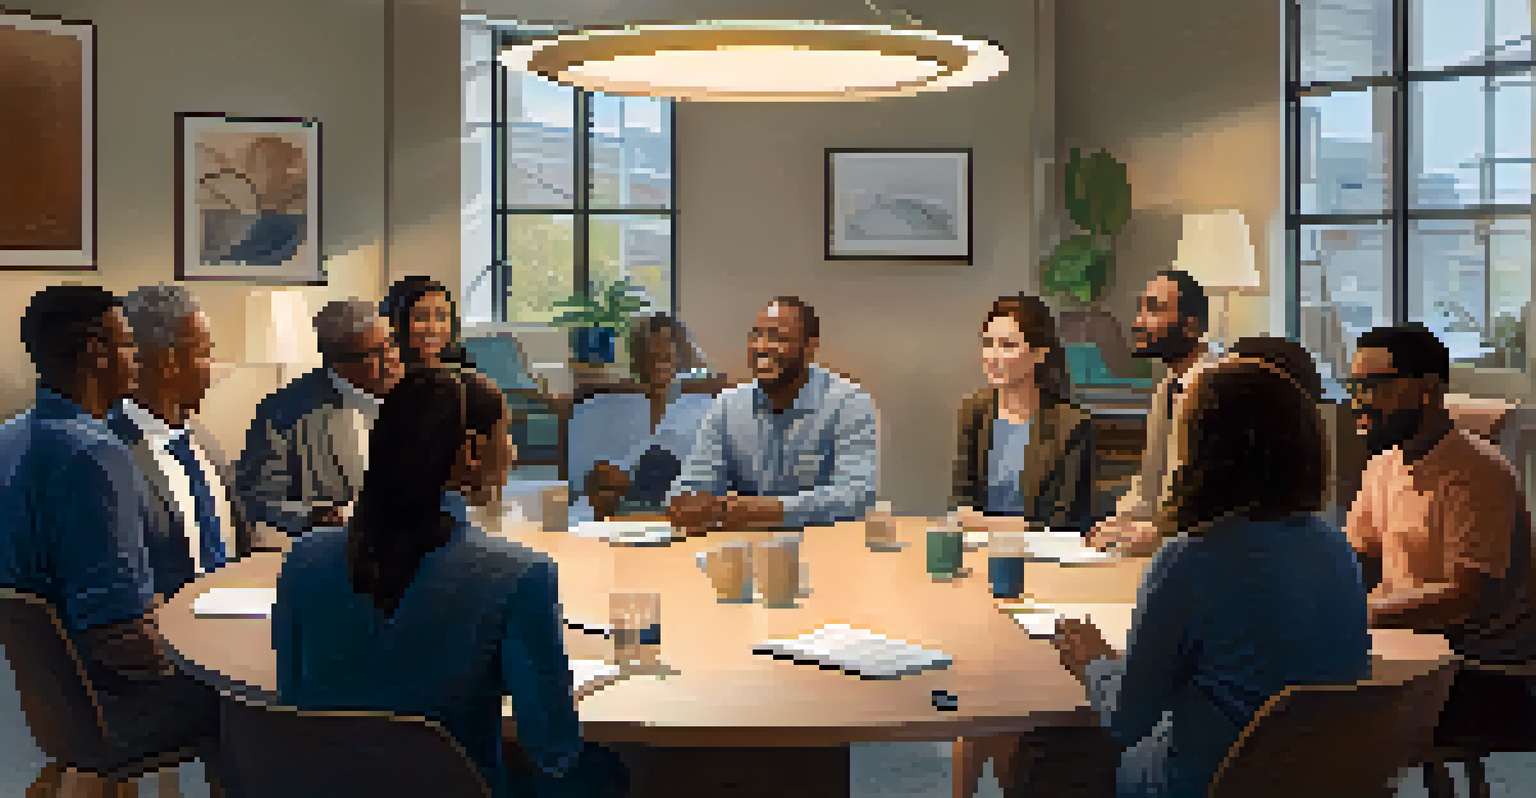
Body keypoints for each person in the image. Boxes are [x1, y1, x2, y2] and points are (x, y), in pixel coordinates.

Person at [273, 368, 628, 798]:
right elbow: (552, 747)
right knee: (615, 773)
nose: (513, 452)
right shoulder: (520, 575)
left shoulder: (303, 559)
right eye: (507, 434)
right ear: (472, 450)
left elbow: (292, 704)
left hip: (325, 788)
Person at [1045, 356, 1371, 797]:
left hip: (1213, 784)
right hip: (1319, 780)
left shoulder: (1190, 558)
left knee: (1042, 755)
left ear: (1202, 451)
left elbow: (1127, 720)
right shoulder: (1336, 549)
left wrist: (1094, 663)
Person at [0, 285, 228, 791]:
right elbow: (121, 642)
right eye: (128, 344)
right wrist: (215, 662)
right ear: (95, 353)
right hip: (109, 706)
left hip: (41, 704)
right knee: (257, 702)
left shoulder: (9, 437)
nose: (137, 359)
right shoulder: (97, 454)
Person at [1342, 324, 1536, 770]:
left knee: (1327, 720)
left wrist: (1356, 614)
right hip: (1411, 651)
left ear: (1428, 390)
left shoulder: (1478, 473)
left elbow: (1460, 600)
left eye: (1374, 386)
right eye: (1354, 386)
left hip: (1483, 673)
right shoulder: (1384, 465)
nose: (1358, 401)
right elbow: (1356, 558)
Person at [949, 294, 1096, 798]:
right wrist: (1001, 526)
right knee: (975, 690)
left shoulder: (1073, 425)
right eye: (987, 343)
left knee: (1005, 696)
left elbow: (1062, 523)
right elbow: (959, 504)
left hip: (1044, 571)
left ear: (1038, 354)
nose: (992, 356)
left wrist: (992, 524)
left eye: (1007, 345)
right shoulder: (974, 412)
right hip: (979, 564)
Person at [665, 296, 878, 534]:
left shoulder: (848, 403)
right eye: (756, 336)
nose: (762, 347)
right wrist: (686, 502)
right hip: (743, 547)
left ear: (809, 347)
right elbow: (692, 484)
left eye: (778, 338)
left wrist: (765, 510)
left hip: (824, 547)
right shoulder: (727, 405)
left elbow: (857, 497)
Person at [234, 298, 404, 540]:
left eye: (392, 344)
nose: (392, 359)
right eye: (376, 353)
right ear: (337, 363)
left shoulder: (420, 397)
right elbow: (257, 500)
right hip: (335, 547)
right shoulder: (283, 413)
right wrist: (314, 516)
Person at [1088, 270, 1221, 557]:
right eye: (1140, 309)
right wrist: (1119, 521)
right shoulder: (1168, 388)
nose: (1138, 322)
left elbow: (1211, 500)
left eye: (1154, 310)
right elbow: (1149, 485)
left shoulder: (1219, 392)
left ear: (1190, 326)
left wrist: (1156, 533)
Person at [573, 313, 717, 520]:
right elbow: (590, 476)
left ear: (680, 359)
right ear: (639, 361)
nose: (657, 367)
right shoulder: (609, 408)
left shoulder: (705, 407)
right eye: (650, 358)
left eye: (665, 358)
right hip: (625, 507)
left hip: (677, 502)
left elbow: (709, 472)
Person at [381, 275, 474, 372]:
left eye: (442, 317)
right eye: (421, 318)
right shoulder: (387, 373)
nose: (433, 327)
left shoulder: (462, 367)